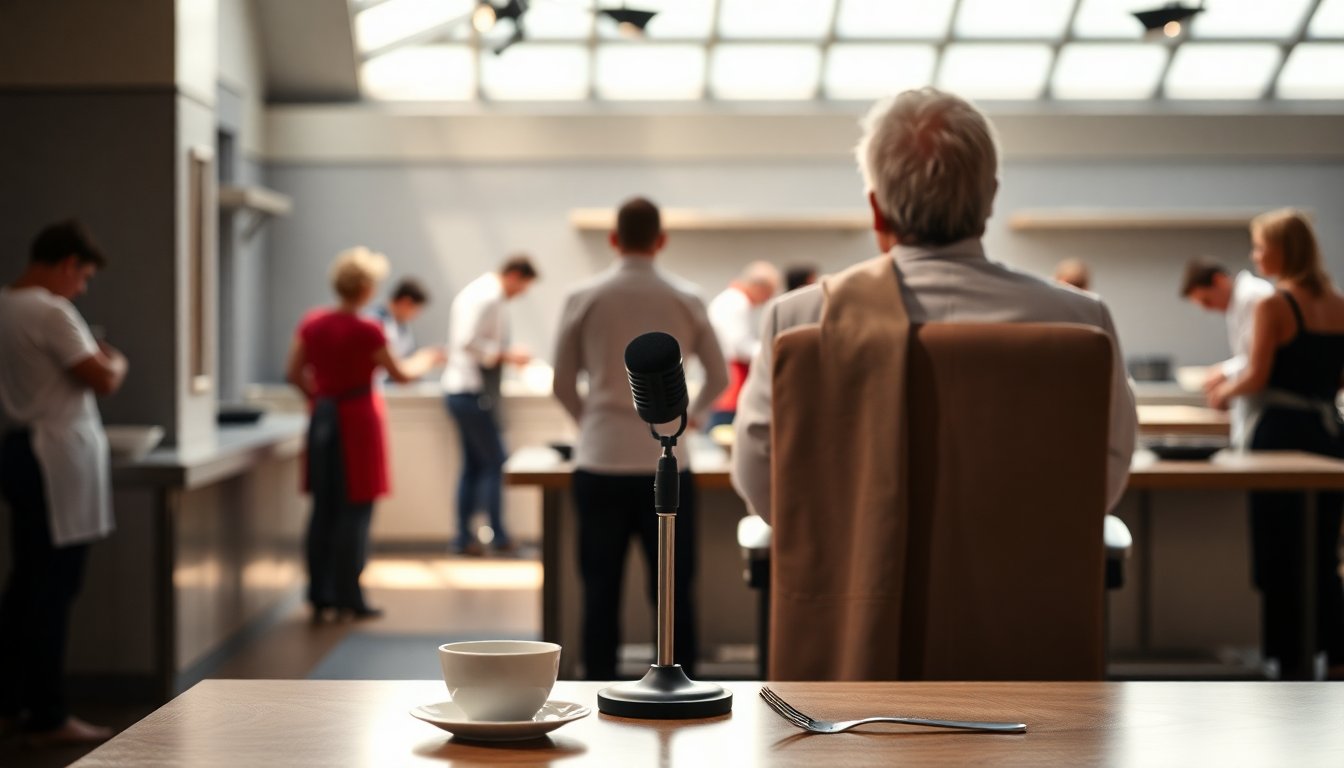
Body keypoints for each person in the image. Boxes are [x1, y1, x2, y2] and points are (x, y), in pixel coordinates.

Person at [731, 87, 1137, 524]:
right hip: (1028, 589)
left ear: (876, 209)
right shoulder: (1080, 322)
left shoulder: (799, 320)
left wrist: (845, 541)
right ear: (990, 198)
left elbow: (758, 474)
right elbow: (1104, 473)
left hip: (855, 588)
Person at [552, 197, 728, 679]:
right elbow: (719, 374)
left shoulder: (583, 296)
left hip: (601, 459)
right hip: (668, 464)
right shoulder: (686, 296)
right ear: (661, 240)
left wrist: (591, 422)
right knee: (672, 588)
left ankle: (598, 690)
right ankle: (681, 684)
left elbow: (562, 384)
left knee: (599, 589)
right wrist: (691, 417)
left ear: (613, 239)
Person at [0, 219, 126, 745]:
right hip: (54, 458)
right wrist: (114, 358)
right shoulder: (51, 310)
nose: (82, 288)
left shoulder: (4, 304)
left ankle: (11, 702)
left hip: (19, 450)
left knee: (26, 582)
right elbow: (102, 378)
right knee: (53, 587)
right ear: (68, 264)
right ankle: (48, 714)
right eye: (84, 277)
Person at [1206, 209, 1344, 677]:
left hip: (1280, 436)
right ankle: (1331, 656)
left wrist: (1222, 392)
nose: (1256, 255)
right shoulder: (1339, 303)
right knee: (1323, 552)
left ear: (1284, 250)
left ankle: (1285, 662)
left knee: (1277, 555)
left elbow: (1258, 374)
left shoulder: (1275, 304)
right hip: (1328, 438)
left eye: (1262, 245)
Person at [286, 247, 444, 623]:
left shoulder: (313, 323)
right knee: (355, 510)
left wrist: (322, 399)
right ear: (366, 288)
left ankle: (319, 593)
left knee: (323, 508)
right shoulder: (368, 329)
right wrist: (430, 358)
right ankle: (349, 595)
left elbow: (293, 373)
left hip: (323, 418)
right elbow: (401, 374)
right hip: (357, 421)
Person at [443, 256, 537, 556]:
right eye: (522, 286)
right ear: (514, 275)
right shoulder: (487, 296)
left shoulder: (480, 293)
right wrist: (509, 356)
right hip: (472, 392)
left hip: (463, 391)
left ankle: (463, 538)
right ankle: (498, 537)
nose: (520, 293)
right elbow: (466, 342)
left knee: (473, 466)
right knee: (496, 462)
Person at [1180, 257, 1274, 448]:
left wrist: (1224, 376)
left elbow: (1260, 358)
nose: (1208, 309)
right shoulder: (1240, 302)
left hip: (1270, 413)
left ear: (1219, 280)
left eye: (1206, 300)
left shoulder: (1253, 296)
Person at [706, 261, 780, 429]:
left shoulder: (732, 299)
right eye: (768, 293)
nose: (767, 299)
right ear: (758, 287)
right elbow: (741, 346)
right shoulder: (737, 303)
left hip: (728, 373)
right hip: (733, 376)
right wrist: (773, 351)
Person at [373, 277, 431, 362]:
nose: (415, 316)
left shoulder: (403, 327)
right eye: (416, 310)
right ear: (406, 302)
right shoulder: (374, 320)